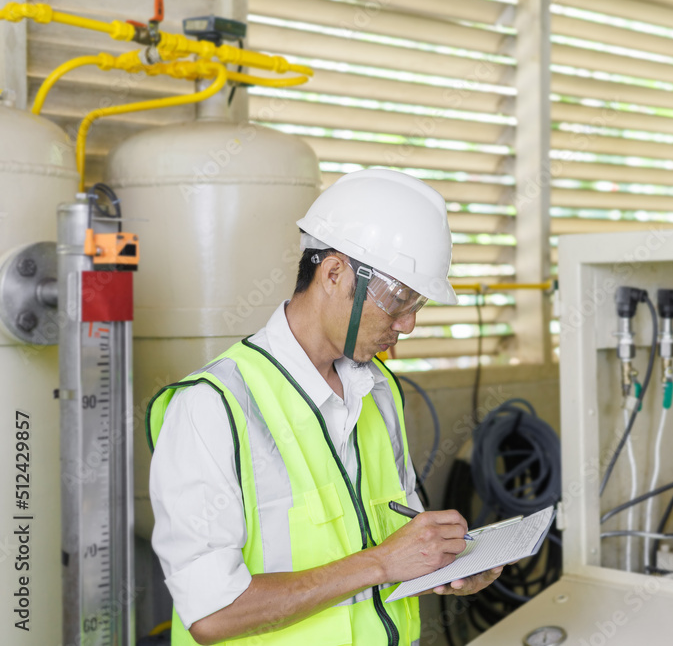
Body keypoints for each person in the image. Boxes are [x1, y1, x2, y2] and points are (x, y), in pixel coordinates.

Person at [147, 169, 502, 645]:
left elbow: (394, 546)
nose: (410, 323)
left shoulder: (378, 391)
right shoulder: (213, 408)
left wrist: (445, 565)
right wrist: (381, 563)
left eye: (417, 303)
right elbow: (212, 614)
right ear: (334, 273)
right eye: (399, 299)